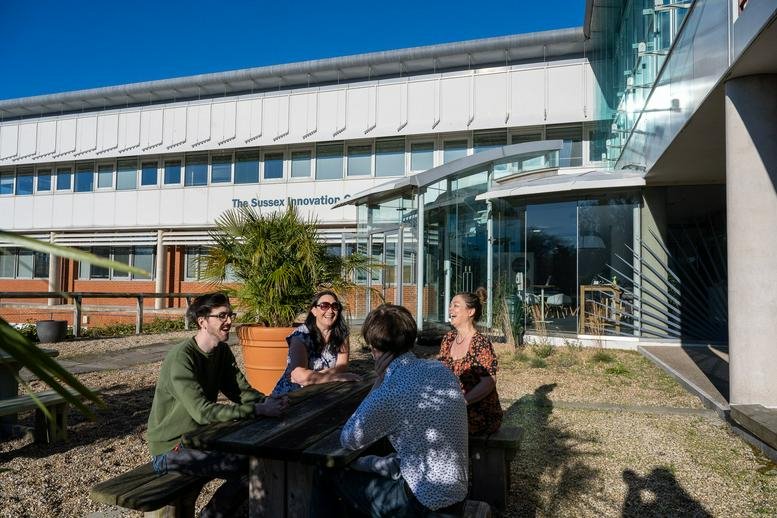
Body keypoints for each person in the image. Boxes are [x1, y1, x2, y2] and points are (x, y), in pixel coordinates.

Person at [317, 304, 468, 517]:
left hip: (423, 504)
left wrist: (378, 382)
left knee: (326, 473)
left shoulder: (391, 390)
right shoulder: (441, 371)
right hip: (456, 496)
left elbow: (349, 438)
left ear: (374, 349)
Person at [146, 292, 288, 518]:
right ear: (202, 321)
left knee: (261, 459)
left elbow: (240, 391)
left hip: (201, 439)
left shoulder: (221, 351)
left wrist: (267, 400)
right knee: (250, 467)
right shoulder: (182, 358)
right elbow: (203, 412)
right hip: (171, 449)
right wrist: (258, 410)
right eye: (222, 316)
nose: (229, 321)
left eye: (230, 314)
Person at [272, 290, 361, 395]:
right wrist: (335, 376)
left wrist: (315, 376)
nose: (330, 311)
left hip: (320, 392)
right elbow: (299, 376)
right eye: (324, 306)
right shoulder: (300, 336)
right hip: (290, 396)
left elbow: (342, 366)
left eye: (334, 306)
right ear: (314, 311)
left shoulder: (341, 334)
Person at [439, 291, 503, 435]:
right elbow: (440, 373)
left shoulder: (480, 343)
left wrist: (461, 402)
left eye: (456, 306)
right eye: (450, 306)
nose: (450, 310)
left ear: (470, 312)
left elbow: (489, 381)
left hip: (479, 413)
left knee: (437, 429)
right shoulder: (448, 339)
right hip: (452, 408)